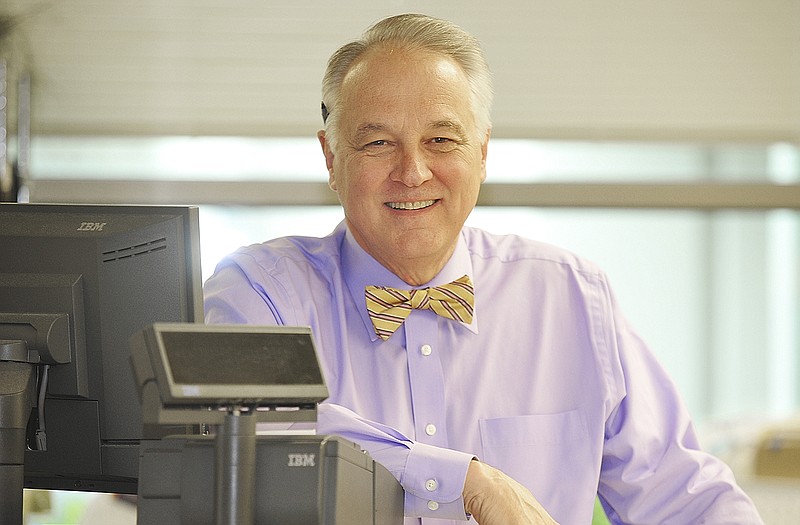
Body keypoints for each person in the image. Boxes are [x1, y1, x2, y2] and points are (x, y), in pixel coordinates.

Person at [203, 13, 763, 525]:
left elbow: (688, 498)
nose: (413, 172)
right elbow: (245, 434)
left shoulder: (573, 296)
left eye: (441, 140)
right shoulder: (259, 293)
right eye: (378, 143)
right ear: (330, 157)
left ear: (483, 152)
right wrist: (463, 480)